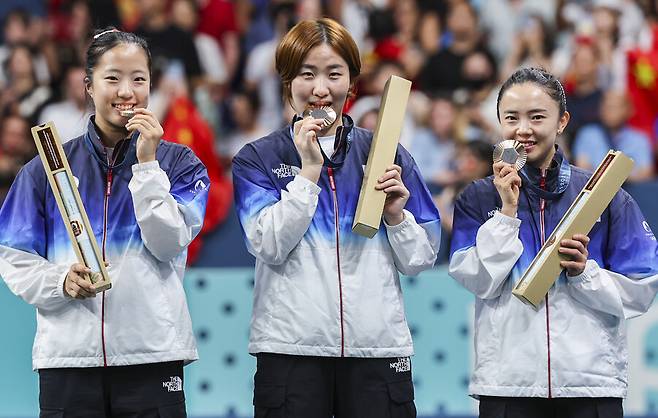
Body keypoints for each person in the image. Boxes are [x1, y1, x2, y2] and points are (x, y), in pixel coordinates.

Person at [232, 18, 441, 418]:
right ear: (287, 81)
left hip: (377, 348)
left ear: (353, 81)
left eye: (334, 74)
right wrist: (308, 173)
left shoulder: (386, 153)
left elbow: (421, 259)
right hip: (291, 350)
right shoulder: (257, 158)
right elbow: (268, 245)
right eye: (306, 74)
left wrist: (397, 218)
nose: (320, 89)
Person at [0, 28, 209, 416]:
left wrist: (147, 166)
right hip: (68, 360)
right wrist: (60, 281)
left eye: (139, 79)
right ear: (89, 86)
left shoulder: (180, 164)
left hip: (152, 356)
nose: (126, 91)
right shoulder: (44, 171)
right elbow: (13, 256)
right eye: (112, 78)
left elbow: (167, 244)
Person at [448, 67, 658, 418]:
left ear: (562, 121)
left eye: (537, 117)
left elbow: (642, 288)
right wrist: (506, 213)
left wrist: (583, 274)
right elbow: (480, 282)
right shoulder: (479, 196)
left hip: (590, 385)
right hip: (507, 385)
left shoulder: (604, 195)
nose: (523, 129)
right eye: (511, 117)